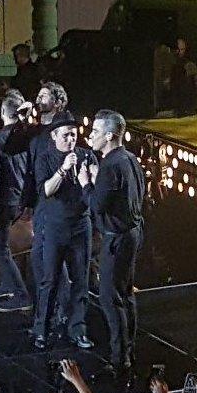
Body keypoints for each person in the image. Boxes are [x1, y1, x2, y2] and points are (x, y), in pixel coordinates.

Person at [80, 109, 145, 375]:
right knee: (125, 292)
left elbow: (96, 205)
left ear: (109, 135)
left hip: (116, 238)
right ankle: (129, 348)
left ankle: (120, 357)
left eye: (95, 132)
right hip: (132, 233)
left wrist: (86, 183)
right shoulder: (129, 160)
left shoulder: (110, 166)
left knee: (109, 296)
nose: (90, 136)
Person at [31, 114, 96, 350]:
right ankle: (42, 329)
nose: (71, 139)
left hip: (80, 225)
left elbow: (94, 184)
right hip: (55, 226)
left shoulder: (85, 154)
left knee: (81, 279)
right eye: (66, 134)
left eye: (74, 134)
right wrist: (63, 169)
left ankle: (78, 329)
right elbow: (45, 190)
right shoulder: (46, 158)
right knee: (50, 280)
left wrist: (89, 176)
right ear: (55, 136)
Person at [0, 90, 34, 312]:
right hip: (20, 200)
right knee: (2, 248)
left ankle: (20, 295)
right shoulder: (27, 135)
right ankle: (8, 284)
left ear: (3, 112)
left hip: (4, 202)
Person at [169, 37, 197, 116]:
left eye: (182, 49)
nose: (178, 52)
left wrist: (196, 106)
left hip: (188, 109)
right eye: (176, 49)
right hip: (175, 108)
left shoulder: (189, 66)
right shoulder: (171, 66)